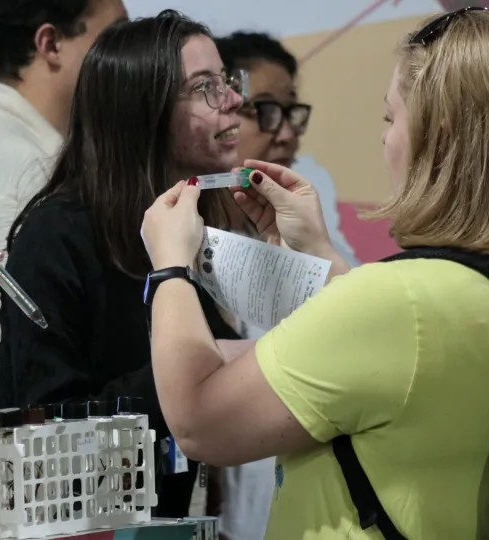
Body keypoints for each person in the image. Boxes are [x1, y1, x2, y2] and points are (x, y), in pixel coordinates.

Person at [140, 8, 489, 538]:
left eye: (391, 118)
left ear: (436, 135)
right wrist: (320, 253)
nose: (385, 139)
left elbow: (198, 422)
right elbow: (400, 369)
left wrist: (170, 268)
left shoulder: (402, 302)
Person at [0, 10, 244, 518]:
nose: (233, 100)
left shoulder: (195, 222)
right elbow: (47, 426)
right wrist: (199, 364)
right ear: (142, 109)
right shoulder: (57, 234)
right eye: (205, 86)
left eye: (228, 81)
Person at [0, 0, 128, 408]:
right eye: (114, 36)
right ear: (52, 43)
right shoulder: (13, 171)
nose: (129, 54)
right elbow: (5, 359)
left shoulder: (46, 160)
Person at [211, 31, 309, 540]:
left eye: (292, 113)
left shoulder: (297, 238)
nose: (287, 135)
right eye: (266, 110)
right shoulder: (173, 241)